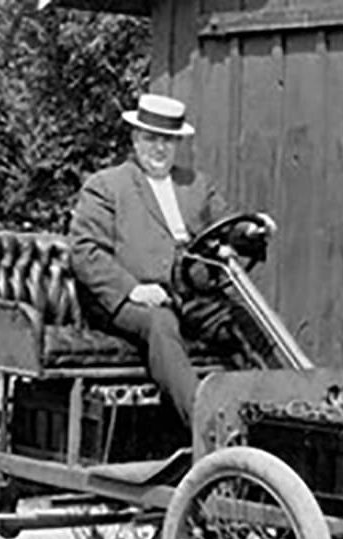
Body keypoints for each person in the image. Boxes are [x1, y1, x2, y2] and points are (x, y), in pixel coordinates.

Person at [69, 93, 260, 424]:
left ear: (177, 144)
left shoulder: (196, 185)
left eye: (168, 141)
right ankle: (205, 426)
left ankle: (271, 416)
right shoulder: (106, 186)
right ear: (135, 139)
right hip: (129, 301)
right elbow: (85, 252)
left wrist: (250, 232)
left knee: (244, 321)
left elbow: (228, 227)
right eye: (151, 139)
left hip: (191, 296)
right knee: (160, 322)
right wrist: (133, 289)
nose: (159, 148)